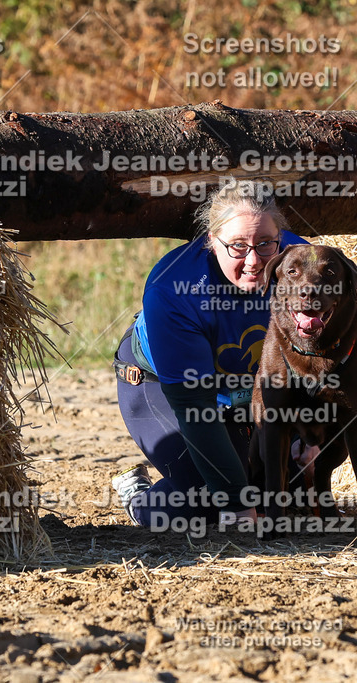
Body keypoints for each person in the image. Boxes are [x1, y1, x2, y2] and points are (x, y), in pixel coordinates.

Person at [111, 178, 308, 529]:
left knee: (284, 492)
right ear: (211, 241)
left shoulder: (302, 264)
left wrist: (308, 433)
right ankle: (138, 497)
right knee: (209, 503)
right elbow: (194, 404)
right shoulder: (173, 287)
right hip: (162, 386)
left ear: (281, 237)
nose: (254, 261)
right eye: (237, 246)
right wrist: (235, 504)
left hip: (241, 385)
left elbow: (322, 357)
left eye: (266, 244)